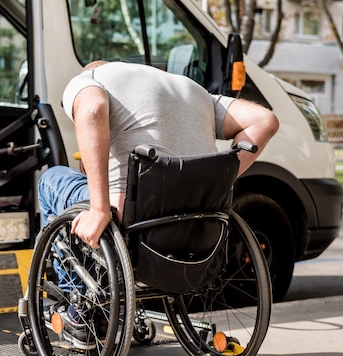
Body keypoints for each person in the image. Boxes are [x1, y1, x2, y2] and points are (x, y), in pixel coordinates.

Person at [38, 60, 279, 249]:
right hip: (202, 217)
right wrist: (218, 182)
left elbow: (91, 111)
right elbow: (265, 121)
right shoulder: (191, 89)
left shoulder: (90, 79)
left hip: (134, 216)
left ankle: (77, 305)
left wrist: (99, 209)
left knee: (51, 180)